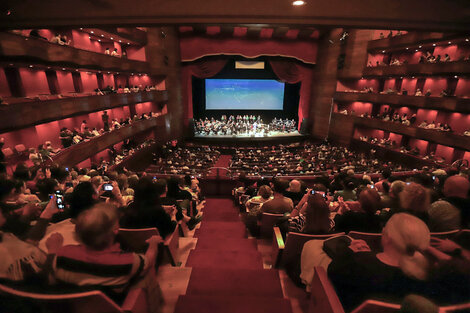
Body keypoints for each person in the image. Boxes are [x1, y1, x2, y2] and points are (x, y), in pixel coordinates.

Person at [52, 203, 163, 312]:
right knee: (146, 277)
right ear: (115, 230)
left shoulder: (62, 254)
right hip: (112, 307)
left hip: (75, 308)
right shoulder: (126, 262)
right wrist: (153, 243)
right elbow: (149, 261)